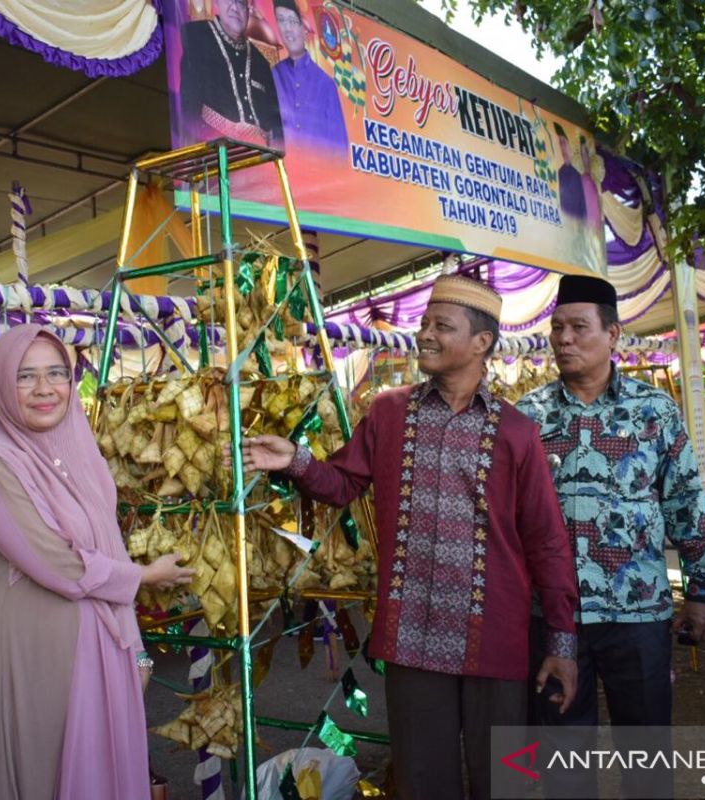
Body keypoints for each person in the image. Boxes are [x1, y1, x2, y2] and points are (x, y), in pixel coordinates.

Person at [237, 274, 579, 800]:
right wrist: (298, 462)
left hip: (495, 634)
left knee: (504, 780)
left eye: (442, 326)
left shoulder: (516, 432)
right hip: (411, 639)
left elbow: (546, 540)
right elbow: (344, 483)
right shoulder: (389, 412)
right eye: (424, 323)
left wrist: (560, 640)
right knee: (422, 781)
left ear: (481, 343)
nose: (424, 334)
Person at [0, 324, 193, 799]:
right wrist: (146, 576)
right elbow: (60, 564)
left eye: (57, 373)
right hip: (39, 672)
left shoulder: (81, 459)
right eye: (25, 377)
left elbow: (107, 551)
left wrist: (137, 653)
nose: (45, 389)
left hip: (100, 658)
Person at [516, 274, 705, 798]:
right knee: (563, 759)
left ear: (613, 336)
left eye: (579, 327)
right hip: (554, 618)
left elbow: (685, 501)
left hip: (639, 615)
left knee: (646, 752)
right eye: (557, 328)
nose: (564, 339)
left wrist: (702, 589)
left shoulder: (654, 412)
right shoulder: (526, 418)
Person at [178, 0, 284, 148]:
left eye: (241, 3)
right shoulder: (196, 37)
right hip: (215, 153)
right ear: (216, 3)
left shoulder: (262, 63)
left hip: (259, 158)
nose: (234, 7)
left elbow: (276, 126)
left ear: (248, 10)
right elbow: (188, 111)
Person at [271, 0, 348, 159]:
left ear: (304, 28)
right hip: (281, 176)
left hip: (318, 178)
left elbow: (340, 151)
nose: (287, 29)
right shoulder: (273, 76)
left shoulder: (326, 84)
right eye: (281, 20)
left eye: (292, 21)